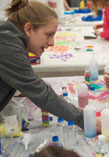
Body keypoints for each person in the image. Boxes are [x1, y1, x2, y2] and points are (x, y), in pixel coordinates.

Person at [0, 0, 91, 130]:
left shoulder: (10, 36)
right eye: (48, 35)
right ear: (28, 29)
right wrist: (82, 119)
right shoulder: (8, 42)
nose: (52, 42)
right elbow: (40, 92)